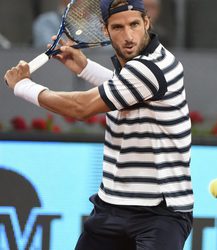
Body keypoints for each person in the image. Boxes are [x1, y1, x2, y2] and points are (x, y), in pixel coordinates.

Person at [4, 0, 194, 249]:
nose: (128, 36)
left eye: (134, 24)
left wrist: (23, 87)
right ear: (105, 30)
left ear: (147, 22)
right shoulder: (134, 68)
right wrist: (85, 67)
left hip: (160, 214)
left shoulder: (152, 68)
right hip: (111, 206)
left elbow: (81, 108)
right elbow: (123, 89)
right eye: (117, 27)